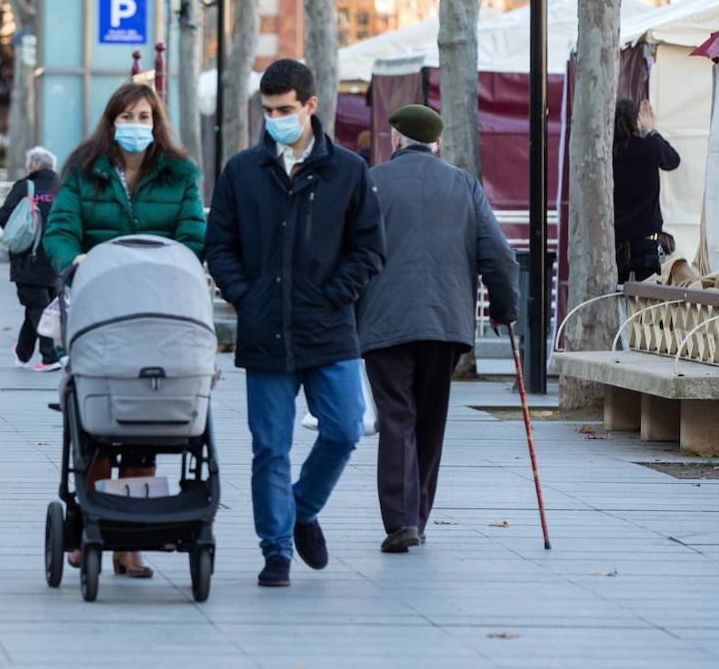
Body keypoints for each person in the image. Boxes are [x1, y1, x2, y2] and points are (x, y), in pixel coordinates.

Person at [204, 59, 385, 587]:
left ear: (310, 105)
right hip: (265, 331)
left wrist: (336, 295)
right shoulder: (242, 171)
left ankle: (302, 509)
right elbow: (220, 245)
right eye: (268, 111)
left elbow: (369, 248)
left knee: (346, 428)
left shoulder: (348, 170)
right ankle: (276, 550)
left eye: (285, 110)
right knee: (270, 447)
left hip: (330, 329)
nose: (276, 119)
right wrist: (246, 297)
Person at [43, 81, 206, 578]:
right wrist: (75, 260)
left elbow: (192, 233)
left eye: (144, 117)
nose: (136, 127)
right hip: (101, 308)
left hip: (159, 307)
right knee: (95, 426)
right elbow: (61, 229)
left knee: (146, 423)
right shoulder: (83, 171)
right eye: (127, 117)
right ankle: (93, 521)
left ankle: (129, 541)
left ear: (157, 123)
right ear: (111, 120)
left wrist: (179, 264)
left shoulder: (179, 174)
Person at [357, 104, 518, 553]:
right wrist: (505, 309)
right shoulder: (463, 184)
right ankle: (418, 515)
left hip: (384, 321)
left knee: (396, 418)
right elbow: (499, 255)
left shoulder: (369, 184)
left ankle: (400, 519)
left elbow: (346, 253)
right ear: (437, 143)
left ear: (395, 139)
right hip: (446, 322)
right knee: (430, 419)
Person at [0, 147, 62, 372]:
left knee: (38, 308)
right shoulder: (63, 188)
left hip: (28, 259)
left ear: (32, 166)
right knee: (37, 307)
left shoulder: (25, 187)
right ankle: (22, 353)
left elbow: (3, 216)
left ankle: (50, 356)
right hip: (56, 259)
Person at [613, 99, 681, 282]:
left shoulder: (610, 154)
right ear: (637, 121)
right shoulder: (648, 148)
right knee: (649, 301)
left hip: (617, 242)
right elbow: (673, 160)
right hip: (647, 240)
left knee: (616, 299)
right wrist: (651, 131)